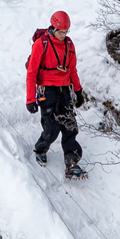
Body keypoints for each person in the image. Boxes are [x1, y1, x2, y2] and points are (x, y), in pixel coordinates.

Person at [25, 10, 88, 179]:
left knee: (70, 125)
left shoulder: (69, 45)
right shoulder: (41, 44)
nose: (63, 35)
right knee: (51, 126)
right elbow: (31, 73)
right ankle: (41, 148)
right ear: (53, 28)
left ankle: (72, 162)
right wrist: (30, 99)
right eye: (61, 32)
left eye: (66, 32)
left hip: (64, 89)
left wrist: (78, 90)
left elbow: (72, 69)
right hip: (46, 88)